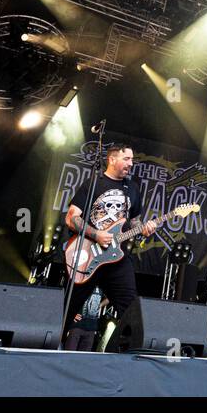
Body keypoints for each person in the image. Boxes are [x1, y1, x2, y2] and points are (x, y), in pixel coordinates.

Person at [63, 142, 157, 345]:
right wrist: (96, 234)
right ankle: (50, 345)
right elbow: (72, 218)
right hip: (88, 255)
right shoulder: (93, 183)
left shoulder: (132, 188)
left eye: (132, 159)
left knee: (131, 310)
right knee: (67, 309)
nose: (131, 163)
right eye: (127, 158)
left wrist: (145, 229)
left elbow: (134, 223)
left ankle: (126, 354)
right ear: (112, 159)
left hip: (117, 257)